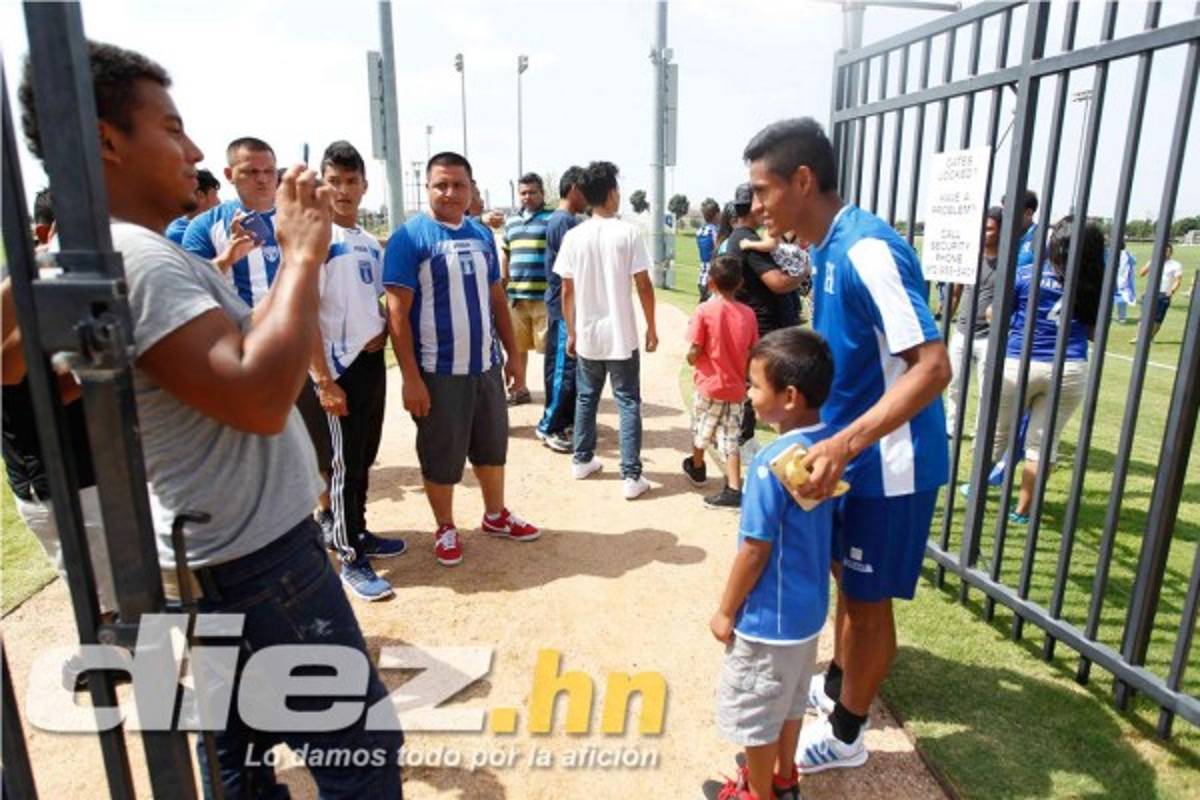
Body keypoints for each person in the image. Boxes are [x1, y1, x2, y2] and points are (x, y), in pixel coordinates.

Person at [19, 40, 402, 796]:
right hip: (252, 555)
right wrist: (298, 256)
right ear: (105, 140)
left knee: (239, 758)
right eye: (170, 128)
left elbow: (232, 347)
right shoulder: (142, 258)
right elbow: (258, 398)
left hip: (210, 550)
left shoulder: (122, 253)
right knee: (360, 748)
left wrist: (294, 269)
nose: (193, 150)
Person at [743, 118, 950, 772]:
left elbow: (933, 366)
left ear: (802, 180)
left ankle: (849, 735)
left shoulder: (866, 250)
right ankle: (838, 685)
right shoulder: (827, 247)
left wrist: (848, 442)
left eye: (762, 190)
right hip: (853, 460)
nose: (755, 206)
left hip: (890, 464)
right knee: (847, 586)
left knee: (866, 600)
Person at [383, 152, 539, 567]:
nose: (450, 193)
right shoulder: (409, 238)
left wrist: (513, 356)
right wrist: (411, 378)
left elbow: (496, 299)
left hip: (484, 365)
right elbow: (397, 313)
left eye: (458, 185)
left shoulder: (481, 235)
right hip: (438, 371)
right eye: (441, 185)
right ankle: (446, 526)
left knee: (492, 447)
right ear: (428, 188)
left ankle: (495, 515)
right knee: (442, 452)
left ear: (471, 189)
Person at [182, 136, 334, 539]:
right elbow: (193, 291)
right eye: (251, 172)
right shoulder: (205, 226)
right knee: (256, 445)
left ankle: (325, 515)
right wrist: (227, 258)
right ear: (231, 175)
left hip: (296, 344)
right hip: (242, 352)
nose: (263, 180)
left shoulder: (294, 214)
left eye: (269, 171)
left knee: (314, 440)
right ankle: (265, 530)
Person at [710, 327, 836, 800]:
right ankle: (785, 779)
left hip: (767, 621)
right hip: (807, 615)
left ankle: (756, 794)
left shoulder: (769, 463)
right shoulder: (827, 449)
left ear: (788, 396)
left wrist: (726, 610)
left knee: (758, 715)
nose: (747, 393)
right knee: (789, 701)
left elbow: (754, 549)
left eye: (754, 385)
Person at [310, 141, 407, 601]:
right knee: (344, 466)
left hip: (371, 363)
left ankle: (359, 531)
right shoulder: (318, 239)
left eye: (352, 181)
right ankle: (349, 557)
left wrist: (383, 327)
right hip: (338, 369)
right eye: (335, 181)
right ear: (322, 184)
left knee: (364, 457)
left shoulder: (368, 242)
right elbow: (306, 313)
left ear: (365, 186)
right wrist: (324, 380)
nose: (344, 190)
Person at [963, 217, 1103, 523]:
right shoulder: (1094, 285)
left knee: (995, 432)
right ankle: (1023, 511)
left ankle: (976, 489)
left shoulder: (1025, 274)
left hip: (1019, 363)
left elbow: (993, 315)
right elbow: (1093, 333)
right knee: (1042, 442)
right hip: (1070, 368)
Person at [554, 160, 658, 500]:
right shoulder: (628, 232)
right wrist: (652, 326)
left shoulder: (574, 235)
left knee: (587, 397)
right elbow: (643, 284)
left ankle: (581, 459)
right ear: (612, 193)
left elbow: (566, 291)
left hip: (587, 334)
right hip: (621, 334)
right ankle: (630, 476)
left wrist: (571, 331)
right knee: (628, 401)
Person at [727, 183, 805, 454]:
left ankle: (742, 441)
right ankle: (745, 443)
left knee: (754, 385)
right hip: (764, 325)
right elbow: (778, 283)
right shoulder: (748, 241)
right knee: (766, 387)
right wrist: (803, 273)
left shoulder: (734, 237)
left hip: (751, 322)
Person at [682, 255, 759, 509]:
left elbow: (695, 349)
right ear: (740, 284)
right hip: (737, 387)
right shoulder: (748, 314)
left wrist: (692, 358)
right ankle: (734, 488)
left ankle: (697, 466)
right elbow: (753, 350)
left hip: (709, 383)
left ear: (711, 282)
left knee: (701, 426)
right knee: (731, 437)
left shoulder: (704, 310)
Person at [536, 166, 587, 453]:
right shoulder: (562, 222)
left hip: (570, 306)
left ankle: (564, 420)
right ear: (574, 190)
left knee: (570, 369)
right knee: (562, 370)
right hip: (562, 306)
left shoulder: (569, 220)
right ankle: (548, 426)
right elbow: (569, 272)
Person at [944, 206, 1003, 437]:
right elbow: (956, 292)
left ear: (1001, 231)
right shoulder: (969, 258)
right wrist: (947, 316)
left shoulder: (1009, 262)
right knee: (955, 384)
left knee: (985, 388)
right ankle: (952, 427)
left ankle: (981, 430)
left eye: (989, 229)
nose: (983, 233)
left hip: (988, 336)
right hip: (961, 332)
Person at [501, 172, 554, 405]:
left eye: (532, 192)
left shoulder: (553, 219)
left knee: (549, 350)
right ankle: (520, 389)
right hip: (516, 297)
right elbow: (506, 254)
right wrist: (504, 284)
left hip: (545, 297)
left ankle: (554, 394)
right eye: (523, 193)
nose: (527, 197)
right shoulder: (511, 222)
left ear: (542, 193)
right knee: (516, 348)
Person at [1132, 242, 1183, 342]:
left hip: (1164, 293)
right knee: (1144, 316)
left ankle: (1150, 337)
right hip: (1150, 292)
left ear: (1171, 253)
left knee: (1157, 319)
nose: (1165, 253)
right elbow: (1142, 273)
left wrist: (1172, 291)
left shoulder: (1176, 265)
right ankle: (1138, 337)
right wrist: (1150, 264)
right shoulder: (1153, 261)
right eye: (1163, 251)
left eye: (1167, 251)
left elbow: (1178, 280)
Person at [164, 168, 219, 244]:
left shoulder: (173, 228)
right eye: (215, 195)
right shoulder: (180, 234)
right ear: (201, 196)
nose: (219, 201)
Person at [696, 198, 720, 300]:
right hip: (712, 278)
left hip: (702, 277)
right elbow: (718, 250)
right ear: (717, 214)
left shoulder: (699, 231)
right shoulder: (715, 231)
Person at [1113, 239, 1137, 324]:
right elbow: (1134, 262)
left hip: (1113, 279)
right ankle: (1122, 317)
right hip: (1123, 280)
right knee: (1122, 298)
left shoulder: (1111, 253)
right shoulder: (1128, 255)